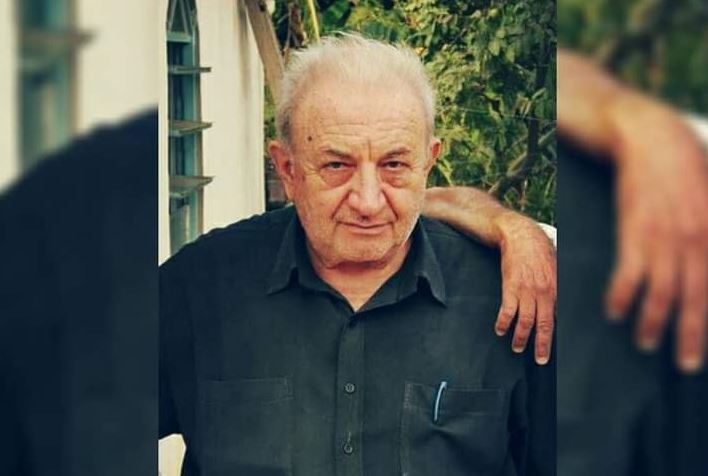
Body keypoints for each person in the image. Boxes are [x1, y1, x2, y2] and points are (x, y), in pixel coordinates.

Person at [159, 34, 554, 476]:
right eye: (336, 166)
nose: (368, 201)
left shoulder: (511, 296)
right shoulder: (202, 286)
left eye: (394, 165)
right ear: (287, 168)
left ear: (428, 162)